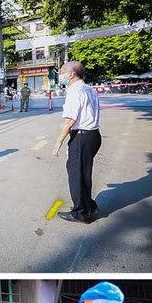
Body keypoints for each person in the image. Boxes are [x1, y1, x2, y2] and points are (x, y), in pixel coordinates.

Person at [52, 60, 102, 224]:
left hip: (82, 137)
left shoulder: (74, 91)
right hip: (93, 135)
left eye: (62, 72)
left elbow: (70, 121)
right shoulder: (89, 89)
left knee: (76, 174)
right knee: (83, 173)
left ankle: (81, 213)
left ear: (71, 74)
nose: (60, 75)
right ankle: (88, 206)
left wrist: (58, 142)